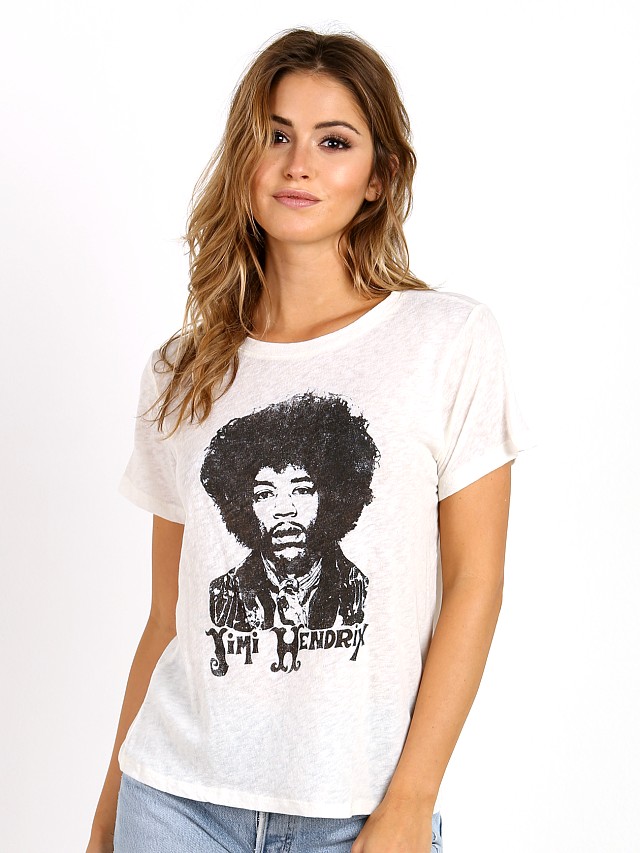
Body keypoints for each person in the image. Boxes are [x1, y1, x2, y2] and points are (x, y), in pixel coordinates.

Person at [86, 27, 531, 853]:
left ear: (377, 178)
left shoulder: (446, 340)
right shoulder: (182, 371)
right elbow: (166, 617)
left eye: (334, 142)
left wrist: (412, 799)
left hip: (357, 812)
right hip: (174, 804)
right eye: (275, 136)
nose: (299, 166)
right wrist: (107, 815)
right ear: (243, 160)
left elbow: (477, 582)